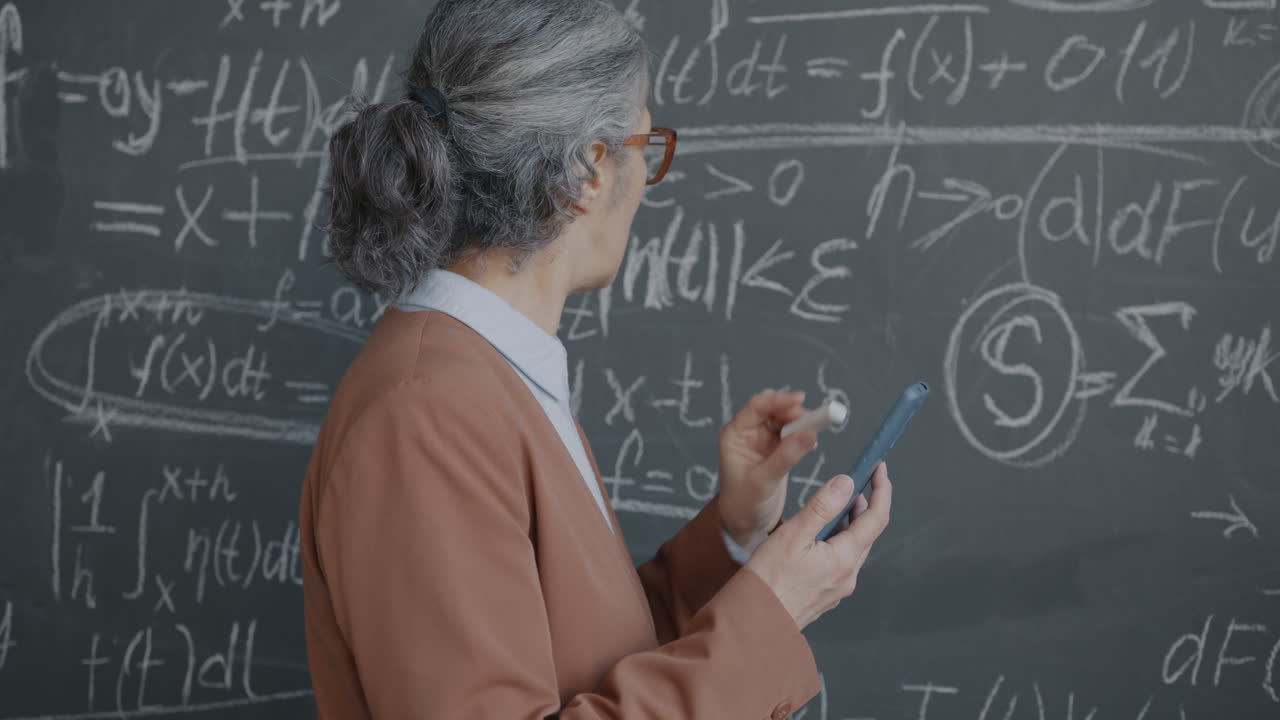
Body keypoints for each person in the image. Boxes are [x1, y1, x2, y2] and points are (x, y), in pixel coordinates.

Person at [297, 1, 893, 717]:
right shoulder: (427, 415)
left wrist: (734, 535)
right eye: (646, 144)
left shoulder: (485, 378)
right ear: (588, 170)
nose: (646, 178)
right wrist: (771, 614)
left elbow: (589, 658)